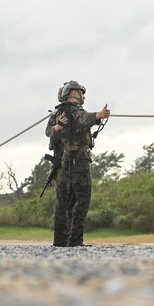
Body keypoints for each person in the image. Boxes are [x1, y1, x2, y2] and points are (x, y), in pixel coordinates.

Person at [46, 80, 110, 247]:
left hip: (62, 162)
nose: (83, 96)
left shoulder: (57, 113)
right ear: (73, 93)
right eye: (80, 92)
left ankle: (60, 241)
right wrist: (99, 116)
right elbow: (84, 118)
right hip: (78, 160)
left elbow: (48, 131)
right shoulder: (74, 111)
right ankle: (75, 241)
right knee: (82, 200)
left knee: (63, 202)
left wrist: (57, 128)